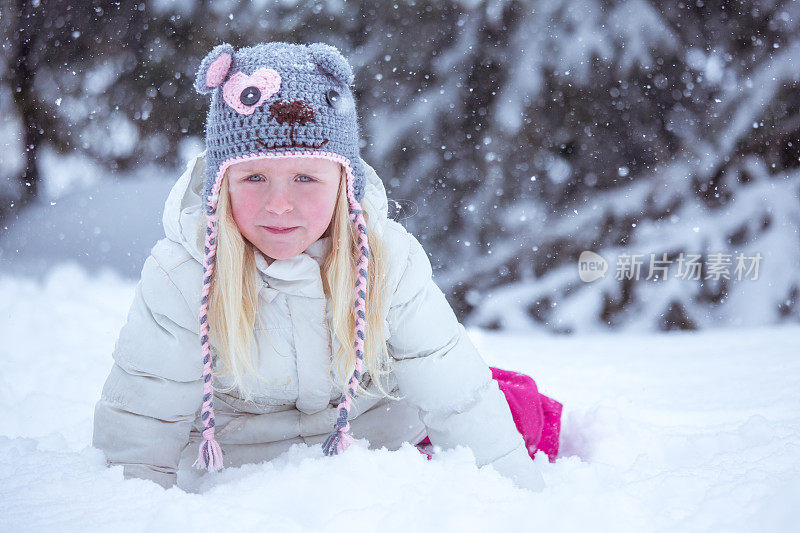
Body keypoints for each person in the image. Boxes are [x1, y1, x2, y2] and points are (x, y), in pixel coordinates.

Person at [92, 41, 562, 492]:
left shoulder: (384, 259)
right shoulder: (184, 275)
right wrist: (137, 508)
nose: (279, 205)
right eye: (254, 177)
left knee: (511, 404)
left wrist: (516, 505)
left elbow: (455, 392)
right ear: (221, 184)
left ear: (343, 183)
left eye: (305, 178)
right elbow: (143, 423)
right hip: (243, 463)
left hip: (369, 441)